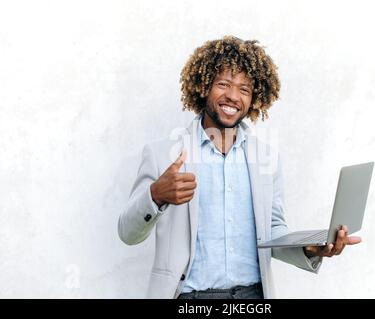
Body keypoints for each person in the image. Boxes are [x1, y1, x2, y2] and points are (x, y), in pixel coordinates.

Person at [118, 36, 361, 299]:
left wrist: (309, 248)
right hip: (189, 298)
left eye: (244, 89)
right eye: (223, 84)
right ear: (203, 86)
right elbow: (127, 233)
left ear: (255, 98)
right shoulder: (162, 154)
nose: (233, 96)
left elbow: (273, 232)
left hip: (253, 297)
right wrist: (155, 196)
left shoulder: (266, 157)